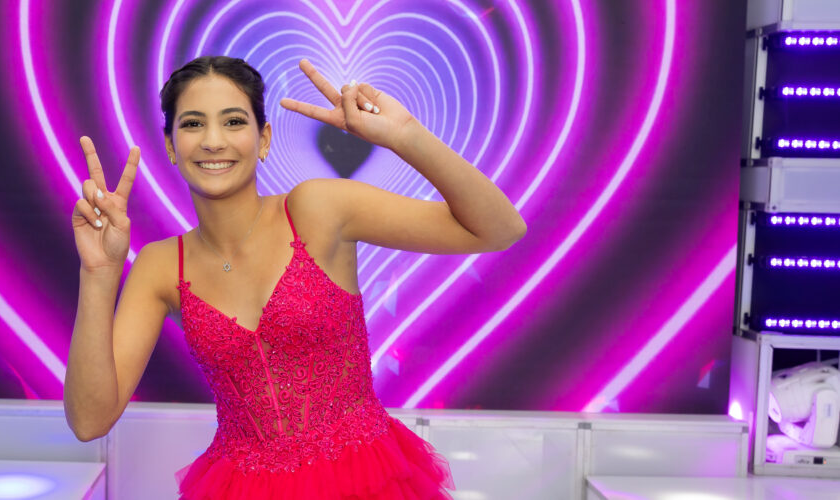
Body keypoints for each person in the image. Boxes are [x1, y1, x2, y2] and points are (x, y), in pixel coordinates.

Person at [65, 55, 525, 499]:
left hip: (366, 480)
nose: (212, 140)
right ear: (170, 145)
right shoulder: (161, 265)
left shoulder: (316, 209)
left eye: (233, 121)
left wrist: (405, 136)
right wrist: (98, 273)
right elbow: (90, 422)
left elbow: (500, 229)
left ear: (263, 139)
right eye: (191, 124)